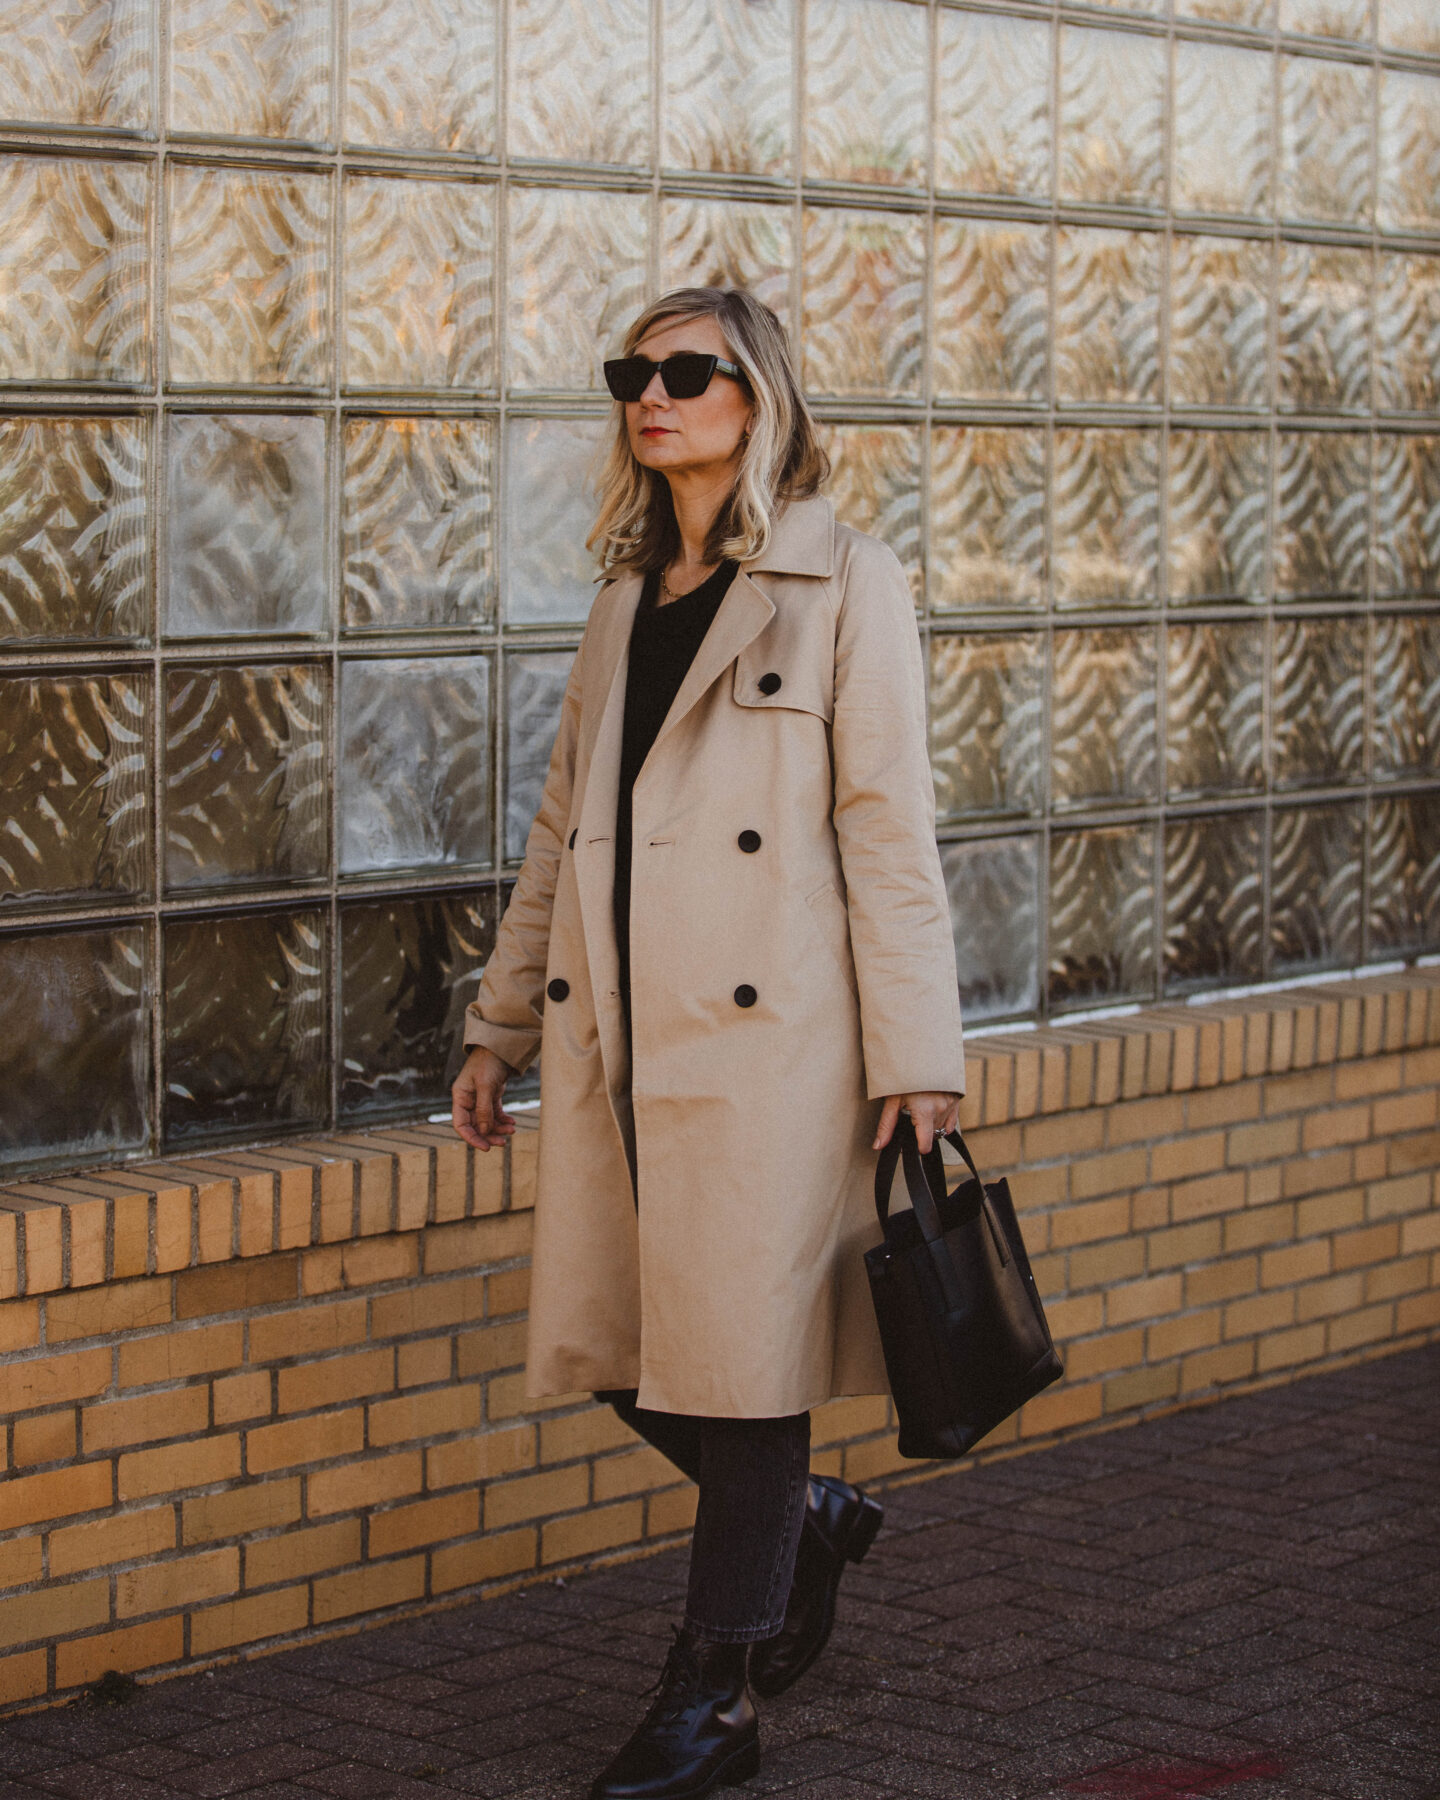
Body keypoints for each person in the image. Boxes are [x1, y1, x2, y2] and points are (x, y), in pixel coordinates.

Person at [452, 286, 964, 1800]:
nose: (653, 394)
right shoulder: (624, 601)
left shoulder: (843, 580)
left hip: (768, 1054)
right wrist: (498, 1025)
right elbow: (562, 829)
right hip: (619, 1042)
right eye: (636, 371)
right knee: (632, 1343)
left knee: (740, 1370)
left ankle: (713, 1698)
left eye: (690, 370)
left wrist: (915, 1054)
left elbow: (889, 831)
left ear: (761, 396)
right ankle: (797, 1520)